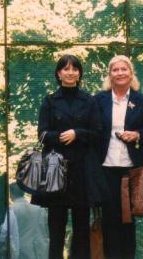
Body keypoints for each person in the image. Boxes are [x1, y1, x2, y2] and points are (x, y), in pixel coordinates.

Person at [31, 54, 106, 259]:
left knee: (82, 229)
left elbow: (98, 134)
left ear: (79, 73)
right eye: (66, 69)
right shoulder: (50, 101)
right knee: (56, 230)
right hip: (55, 171)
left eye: (74, 69)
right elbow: (42, 134)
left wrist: (77, 133)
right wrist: (61, 137)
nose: (70, 72)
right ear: (59, 73)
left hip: (82, 172)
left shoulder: (89, 101)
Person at [94, 55, 143, 259]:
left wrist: (137, 135)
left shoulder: (142, 100)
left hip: (131, 168)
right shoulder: (98, 100)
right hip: (106, 167)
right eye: (115, 70)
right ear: (110, 75)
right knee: (109, 220)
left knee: (128, 220)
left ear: (131, 73)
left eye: (123, 69)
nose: (120, 73)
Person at [0, 184, 49, 259]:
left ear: (11, 193)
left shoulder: (12, 210)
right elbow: (44, 232)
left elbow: (5, 230)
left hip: (19, 252)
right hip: (36, 251)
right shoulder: (39, 210)